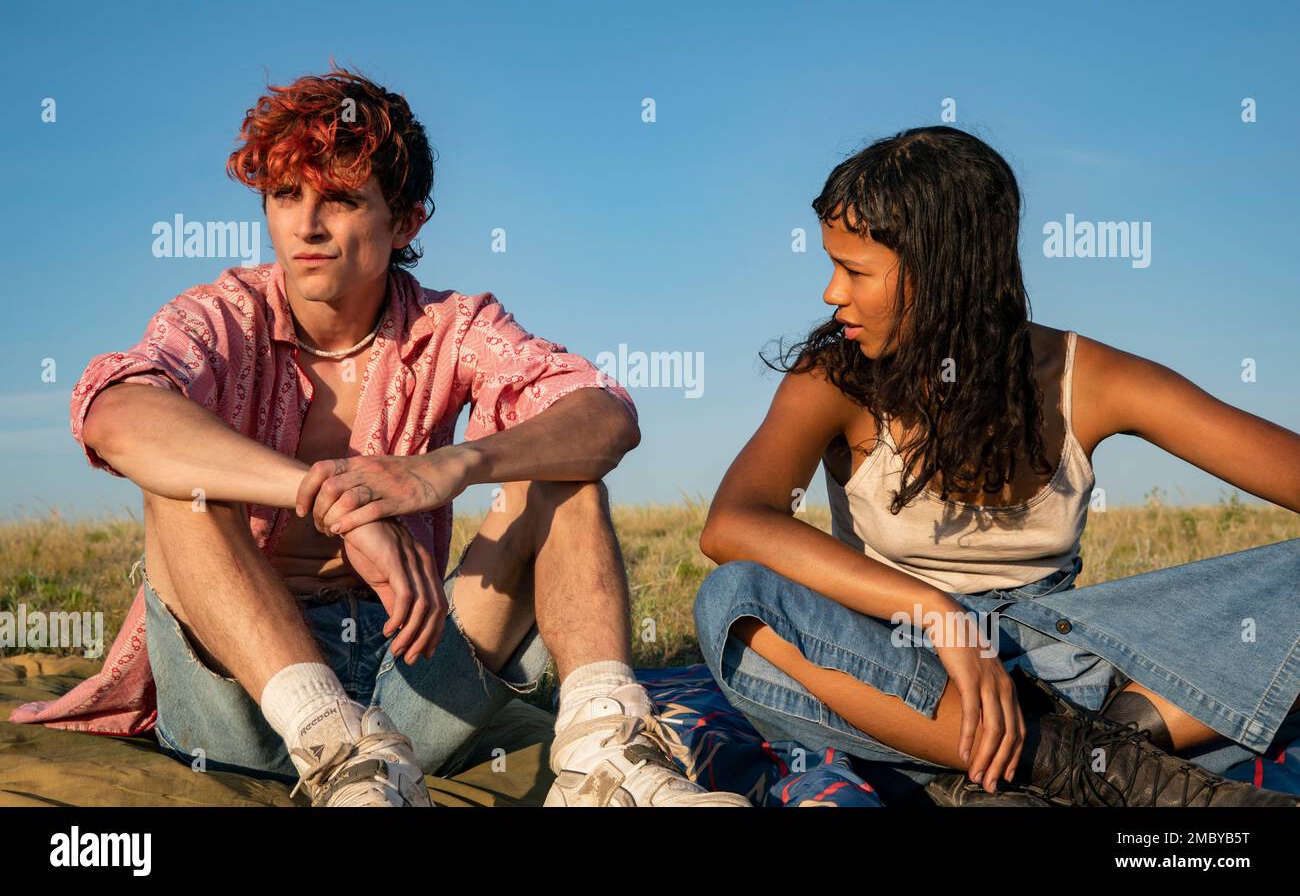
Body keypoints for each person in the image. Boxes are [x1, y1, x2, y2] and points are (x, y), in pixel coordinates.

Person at [33, 63, 748, 808]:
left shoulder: (455, 327)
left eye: (339, 199)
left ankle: (604, 763)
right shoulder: (222, 315)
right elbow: (116, 412)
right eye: (285, 196)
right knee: (180, 481)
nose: (306, 226)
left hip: (411, 685)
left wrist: (448, 467)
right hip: (240, 694)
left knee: (562, 465)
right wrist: (327, 497)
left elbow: (603, 416)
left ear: (405, 222)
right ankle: (339, 753)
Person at [693, 125, 1300, 807]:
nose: (833, 293)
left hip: (1074, 670)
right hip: (898, 662)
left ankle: (1054, 761)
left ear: (945, 271)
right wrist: (934, 612)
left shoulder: (1086, 376)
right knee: (732, 601)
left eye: (855, 271)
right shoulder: (834, 377)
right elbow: (733, 524)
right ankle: (1090, 767)